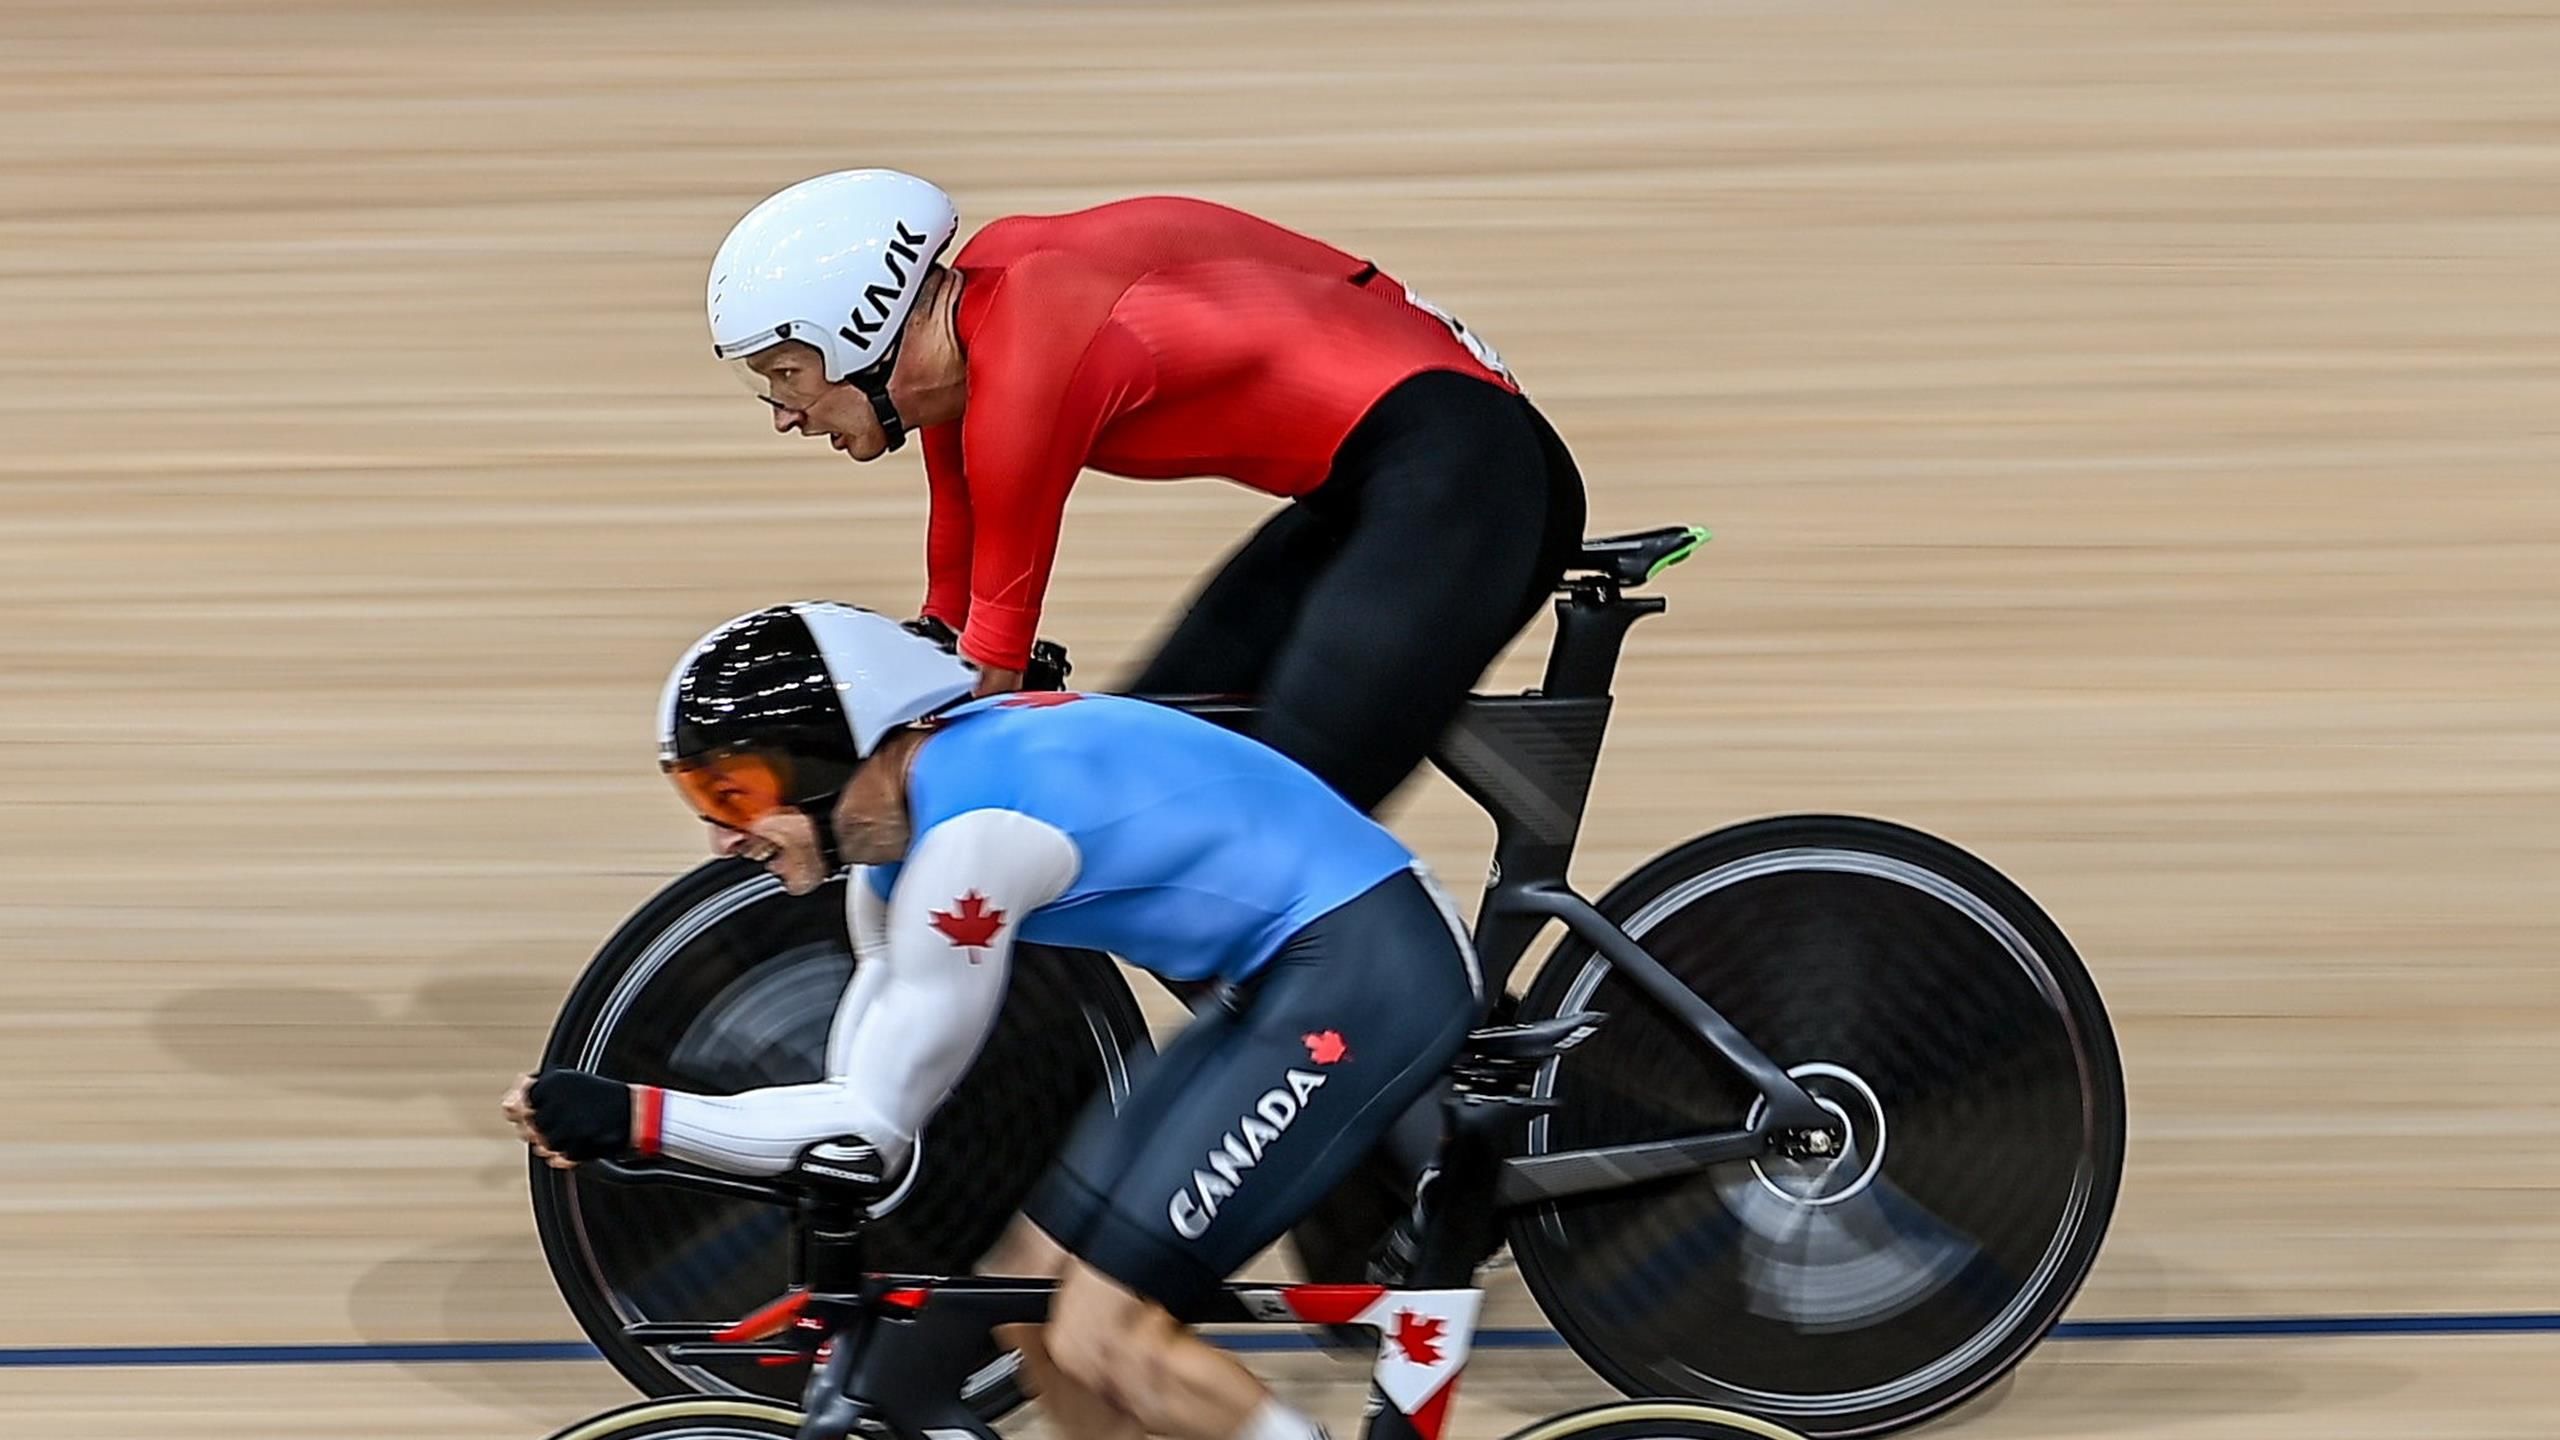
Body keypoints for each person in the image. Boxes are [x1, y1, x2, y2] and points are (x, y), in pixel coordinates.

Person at [503, 602, 1482, 1440]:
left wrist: (633, 1119)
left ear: (828, 757)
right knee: (1027, 1306)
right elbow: (868, 1126)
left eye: (733, 791)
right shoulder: (891, 867)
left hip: (1363, 971)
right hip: (1279, 978)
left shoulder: (966, 849)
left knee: (1105, 1329)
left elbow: (864, 1131)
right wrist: (637, 1125)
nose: (719, 837)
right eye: (697, 797)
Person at [703, 168, 1587, 815]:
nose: (784, 413)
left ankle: (1416, 1039)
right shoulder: (965, 361)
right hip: (1382, 483)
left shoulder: (1029, 353)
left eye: (788, 374)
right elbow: (949, 621)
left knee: (1269, 823)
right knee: (1153, 762)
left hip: (1465, 476)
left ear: (872, 332)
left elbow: (991, 665)